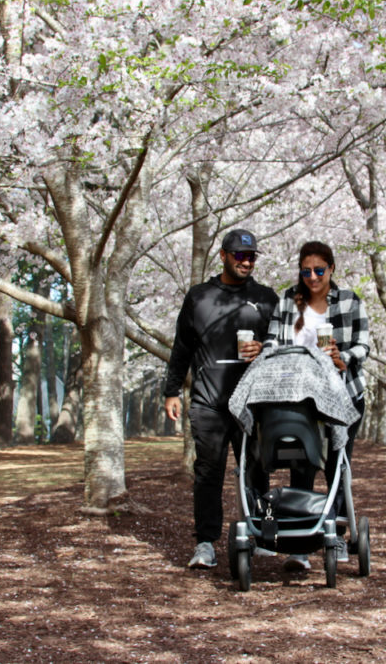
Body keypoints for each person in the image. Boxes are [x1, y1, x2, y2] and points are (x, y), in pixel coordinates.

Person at [163, 229, 279, 569]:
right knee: (208, 472)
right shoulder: (199, 297)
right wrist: (171, 390)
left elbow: (283, 342)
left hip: (253, 403)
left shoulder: (266, 298)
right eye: (240, 255)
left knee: (258, 470)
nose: (246, 262)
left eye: (251, 256)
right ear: (223, 256)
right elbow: (182, 347)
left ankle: (264, 534)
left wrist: (264, 347)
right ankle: (205, 544)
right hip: (209, 403)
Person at [262, 240, 370, 570]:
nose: (312, 277)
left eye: (319, 270)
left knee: (338, 464)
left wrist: (342, 356)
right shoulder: (287, 300)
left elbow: (363, 345)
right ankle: (300, 544)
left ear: (331, 268)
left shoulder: (349, 301)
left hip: (343, 394)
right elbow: (271, 340)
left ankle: (335, 534)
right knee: (302, 463)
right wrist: (267, 354)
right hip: (299, 396)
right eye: (306, 271)